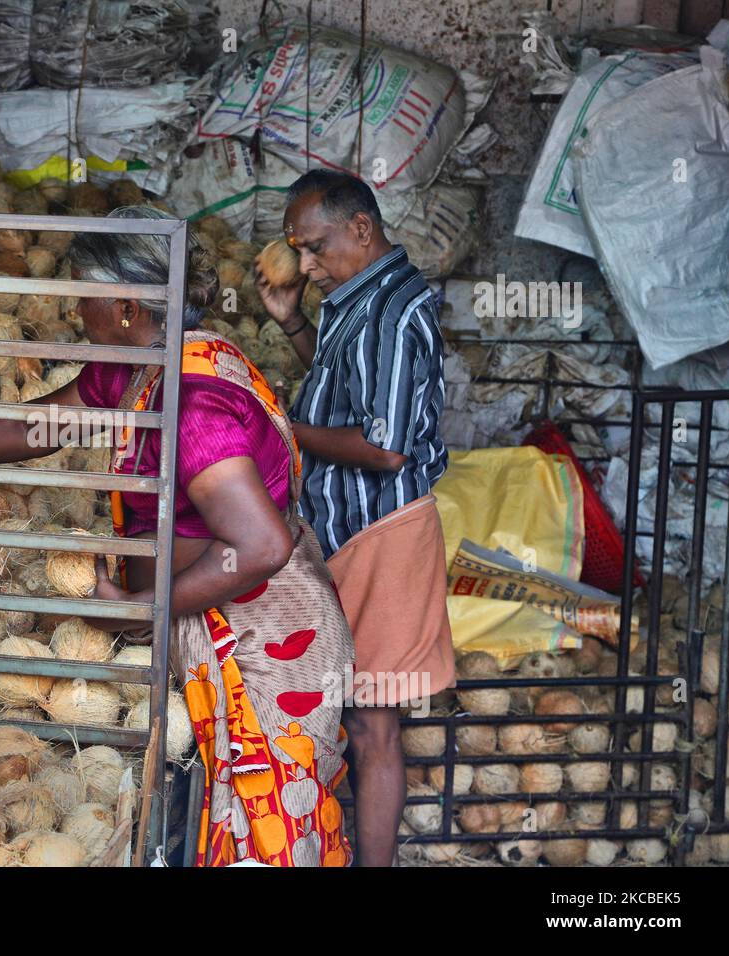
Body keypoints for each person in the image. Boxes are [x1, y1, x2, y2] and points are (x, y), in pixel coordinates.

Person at [0, 206, 354, 867]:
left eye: (83, 297)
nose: (75, 311)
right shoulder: (140, 369)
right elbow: (38, 428)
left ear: (125, 306)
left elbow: (261, 547)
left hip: (270, 646)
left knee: (267, 836)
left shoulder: (193, 401)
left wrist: (142, 609)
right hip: (216, 628)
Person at [254, 169, 455, 867]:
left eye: (314, 248)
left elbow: (386, 447)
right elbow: (348, 397)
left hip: (385, 537)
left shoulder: (398, 311)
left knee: (373, 729)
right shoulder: (355, 299)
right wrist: (294, 323)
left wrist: (276, 425)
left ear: (361, 229)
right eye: (299, 252)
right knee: (341, 715)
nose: (306, 266)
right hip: (340, 531)